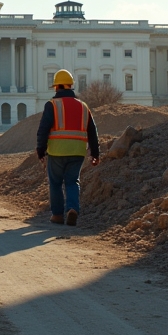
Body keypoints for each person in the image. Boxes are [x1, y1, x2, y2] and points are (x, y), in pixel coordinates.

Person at [35, 69, 99, 226]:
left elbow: (43, 130)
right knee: (72, 182)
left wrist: (40, 150)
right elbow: (92, 131)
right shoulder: (84, 107)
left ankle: (57, 215)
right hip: (77, 151)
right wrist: (95, 153)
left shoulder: (52, 105)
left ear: (57, 87)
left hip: (57, 151)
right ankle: (72, 209)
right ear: (70, 86)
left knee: (56, 183)